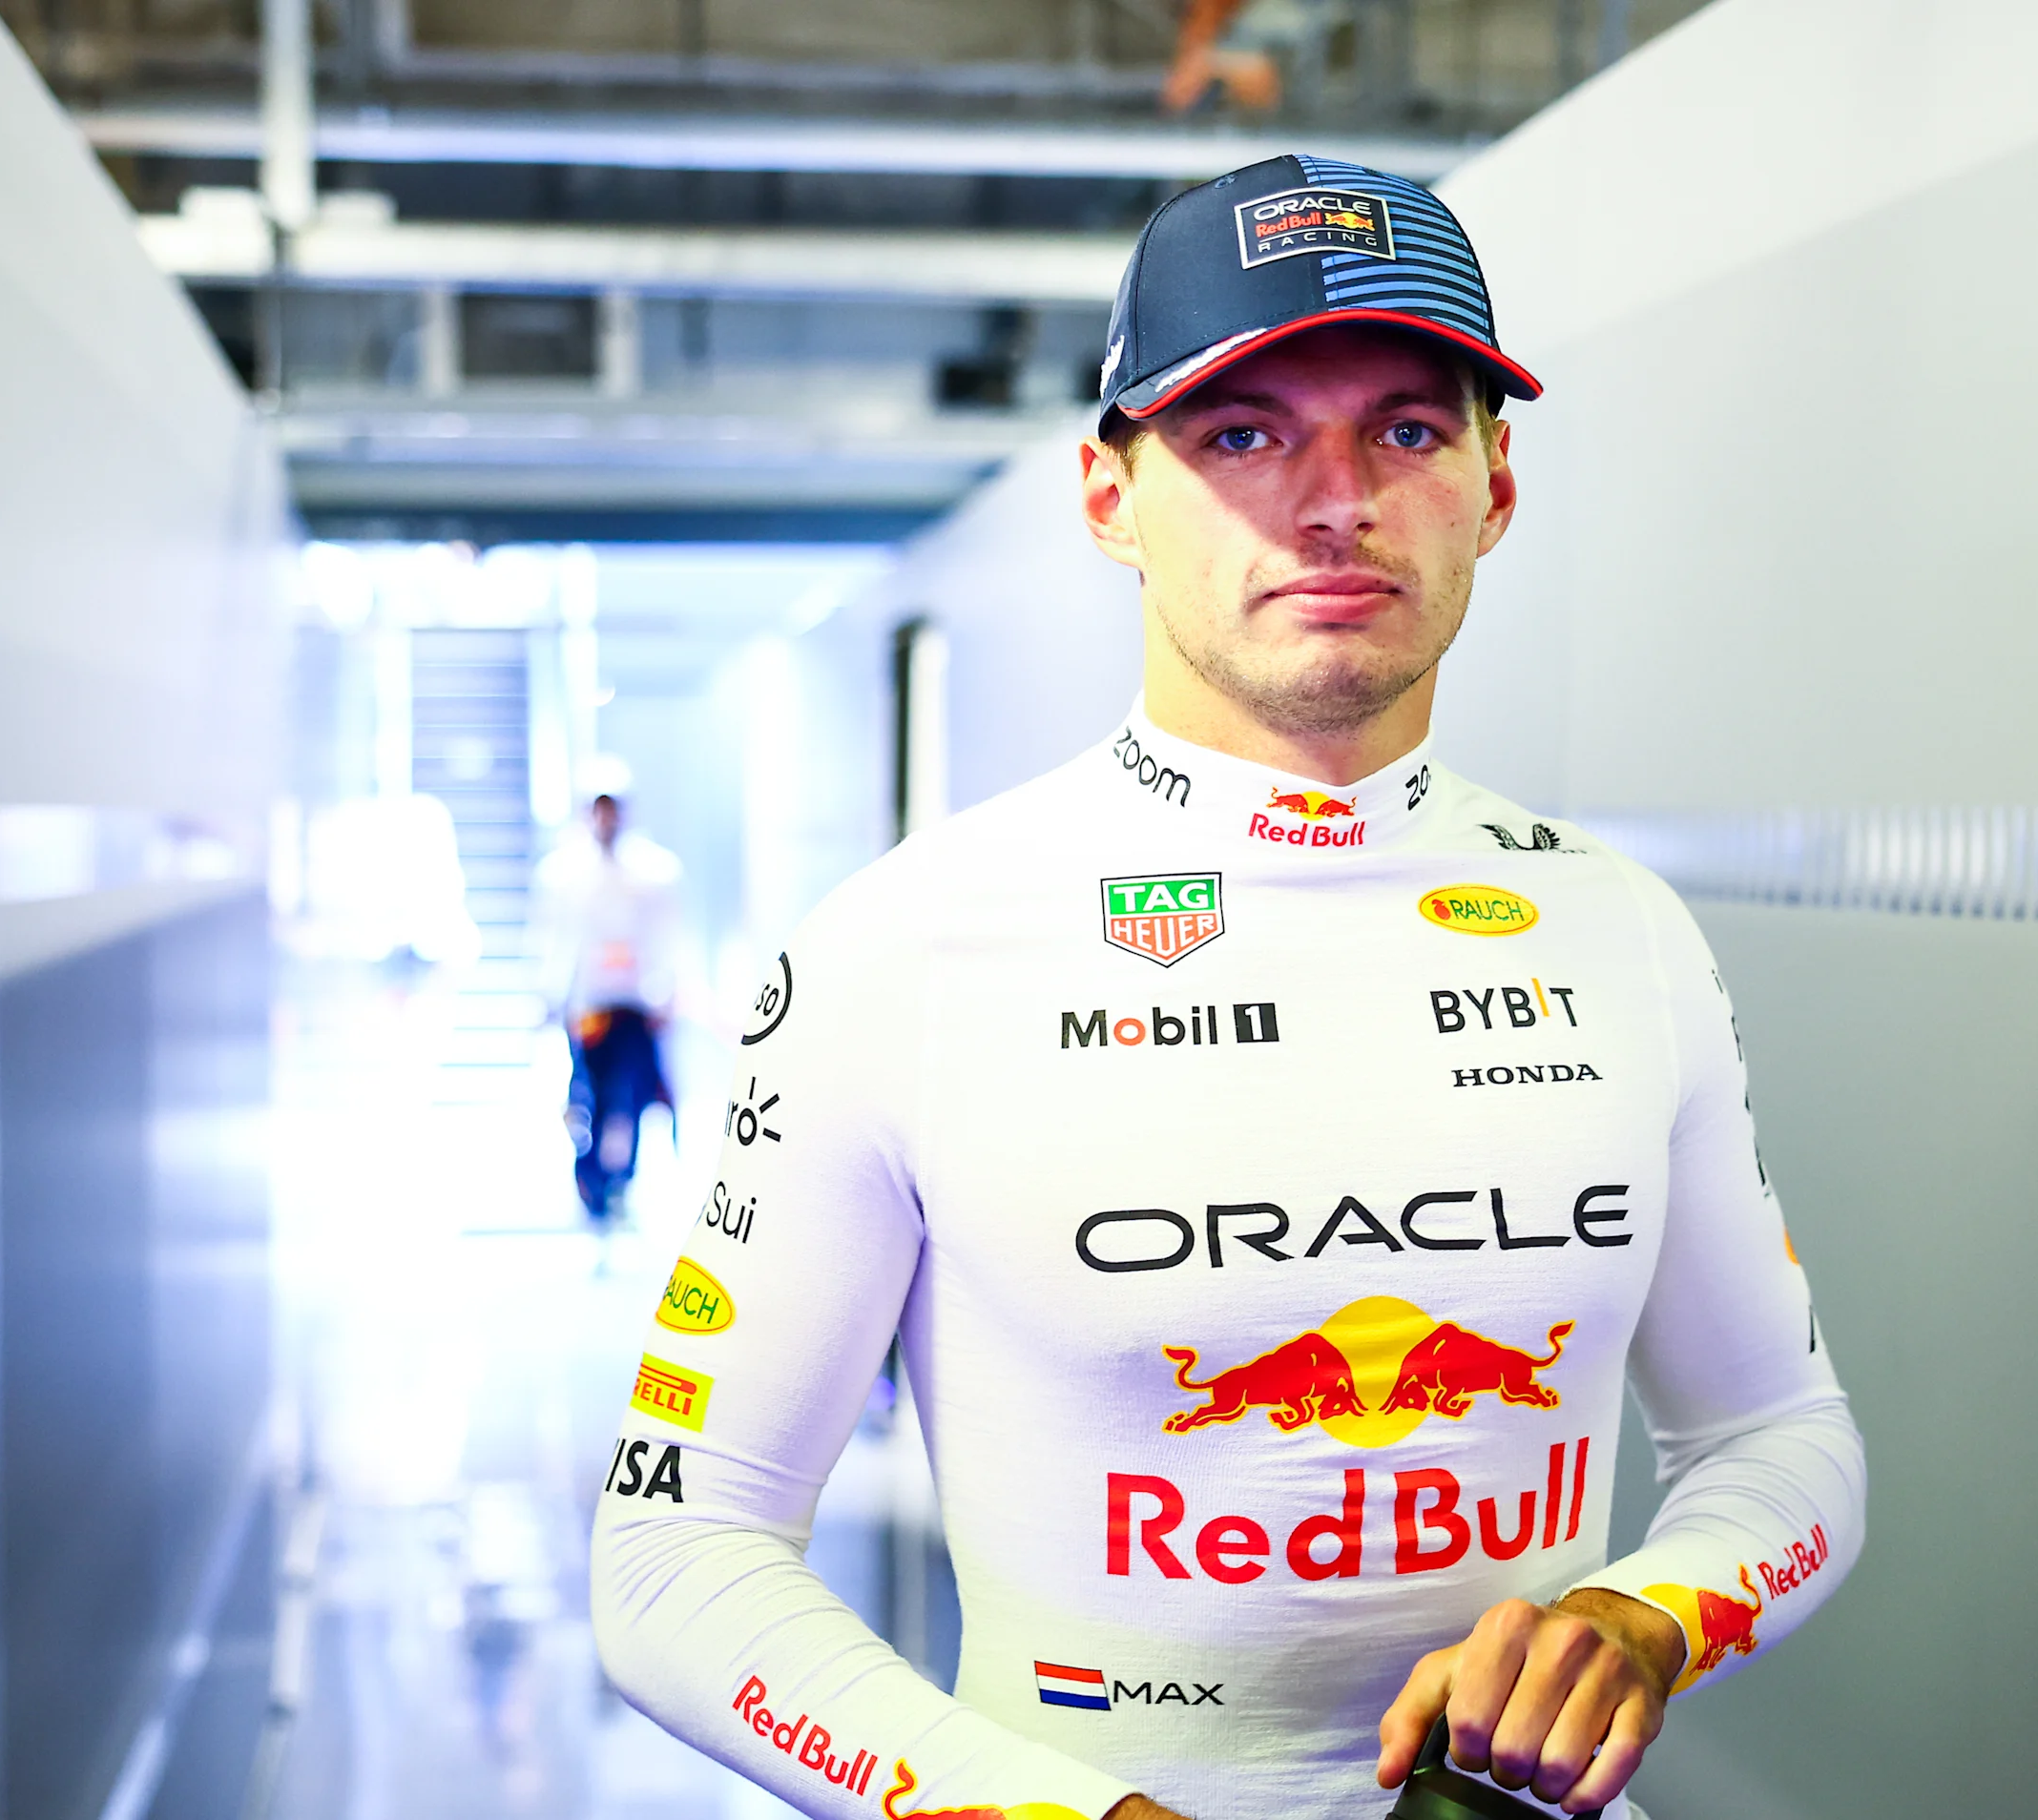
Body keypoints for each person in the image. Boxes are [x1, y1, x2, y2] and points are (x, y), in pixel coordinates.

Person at [593, 156, 1863, 1820]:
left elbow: (1782, 1439)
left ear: (1493, 487)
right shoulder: (899, 947)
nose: (1332, 499)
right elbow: (677, 1552)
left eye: (1407, 429)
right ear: (1107, 494)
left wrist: (1640, 1615)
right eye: (1242, 434)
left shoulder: (1619, 931)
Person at [536, 791, 683, 1227]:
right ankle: (592, 1179)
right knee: (590, 1096)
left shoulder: (653, 873)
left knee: (633, 1095)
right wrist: (551, 998)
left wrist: (665, 993)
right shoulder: (565, 875)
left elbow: (667, 938)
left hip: (635, 1007)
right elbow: (554, 940)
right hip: (589, 1008)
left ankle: (624, 1176)